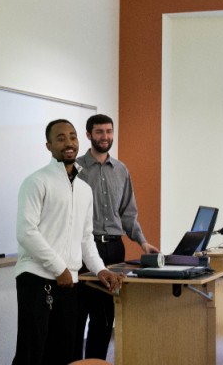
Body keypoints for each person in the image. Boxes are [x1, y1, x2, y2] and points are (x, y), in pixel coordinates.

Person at [12, 119, 125, 365]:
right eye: (60, 138)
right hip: (36, 278)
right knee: (31, 355)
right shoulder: (36, 182)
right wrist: (59, 268)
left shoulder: (84, 189)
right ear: (49, 145)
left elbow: (86, 238)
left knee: (63, 355)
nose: (68, 143)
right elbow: (26, 232)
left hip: (68, 282)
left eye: (72, 137)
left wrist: (100, 269)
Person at [73, 114, 158, 360]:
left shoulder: (121, 170)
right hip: (81, 251)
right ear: (89, 135)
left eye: (109, 131)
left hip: (113, 250)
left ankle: (96, 362)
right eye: (99, 132)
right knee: (77, 317)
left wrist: (142, 242)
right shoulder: (74, 169)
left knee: (104, 319)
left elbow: (128, 214)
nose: (105, 137)